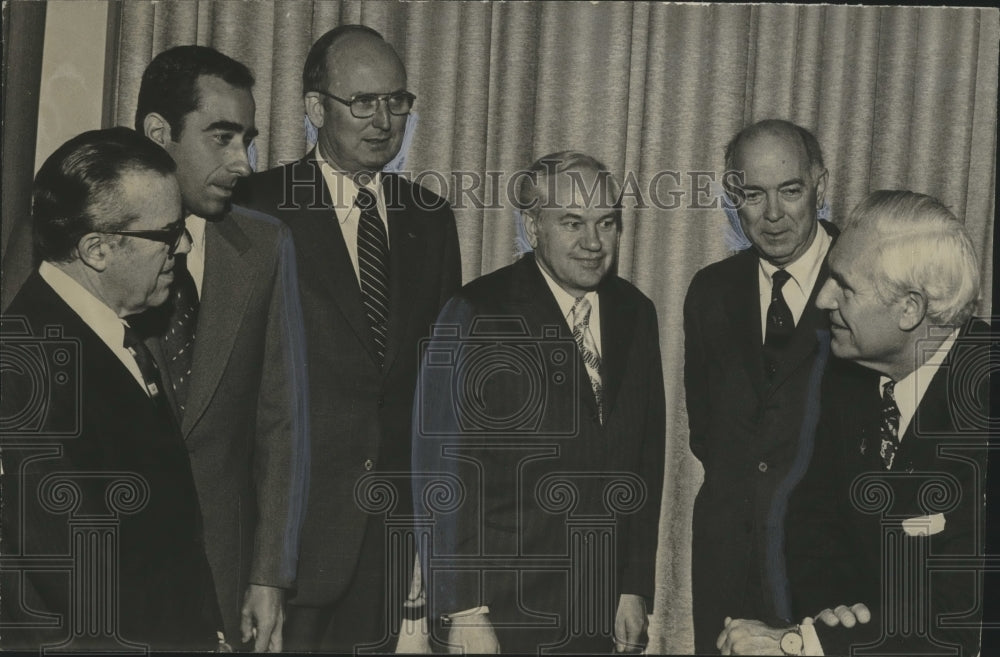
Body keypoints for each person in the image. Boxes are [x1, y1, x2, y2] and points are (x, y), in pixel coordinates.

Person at [233, 25, 461, 652]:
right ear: (314, 109)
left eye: (397, 101)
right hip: (285, 538)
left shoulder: (430, 217)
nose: (384, 119)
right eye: (362, 102)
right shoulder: (254, 206)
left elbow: (436, 387)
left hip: (389, 536)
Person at [412, 151, 665, 654]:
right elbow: (440, 468)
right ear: (533, 227)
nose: (593, 243)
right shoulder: (476, 310)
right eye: (572, 223)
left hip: (597, 610)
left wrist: (632, 586)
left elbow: (644, 462)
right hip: (499, 610)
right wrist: (464, 610)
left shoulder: (636, 312)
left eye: (606, 223)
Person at [716, 190, 988, 656]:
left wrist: (804, 643)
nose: (823, 298)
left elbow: (966, 623)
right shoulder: (852, 374)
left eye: (845, 286)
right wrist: (836, 615)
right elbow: (815, 519)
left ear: (910, 309)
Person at [0, 127, 220, 651]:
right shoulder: (24, 370)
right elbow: (72, 581)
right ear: (97, 248)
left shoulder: (107, 333)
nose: (183, 246)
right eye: (167, 234)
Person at [133, 45, 308, 652]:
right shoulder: (70, 232)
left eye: (249, 139)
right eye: (222, 137)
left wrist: (269, 575)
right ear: (159, 134)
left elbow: (281, 423)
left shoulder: (264, 246)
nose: (243, 161)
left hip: (220, 570)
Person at [684, 119, 836, 653]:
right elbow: (705, 433)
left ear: (820, 184)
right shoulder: (709, 292)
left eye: (790, 191)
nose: (772, 215)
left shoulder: (865, 281)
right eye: (753, 194)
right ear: (733, 197)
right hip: (727, 567)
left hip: (826, 573)